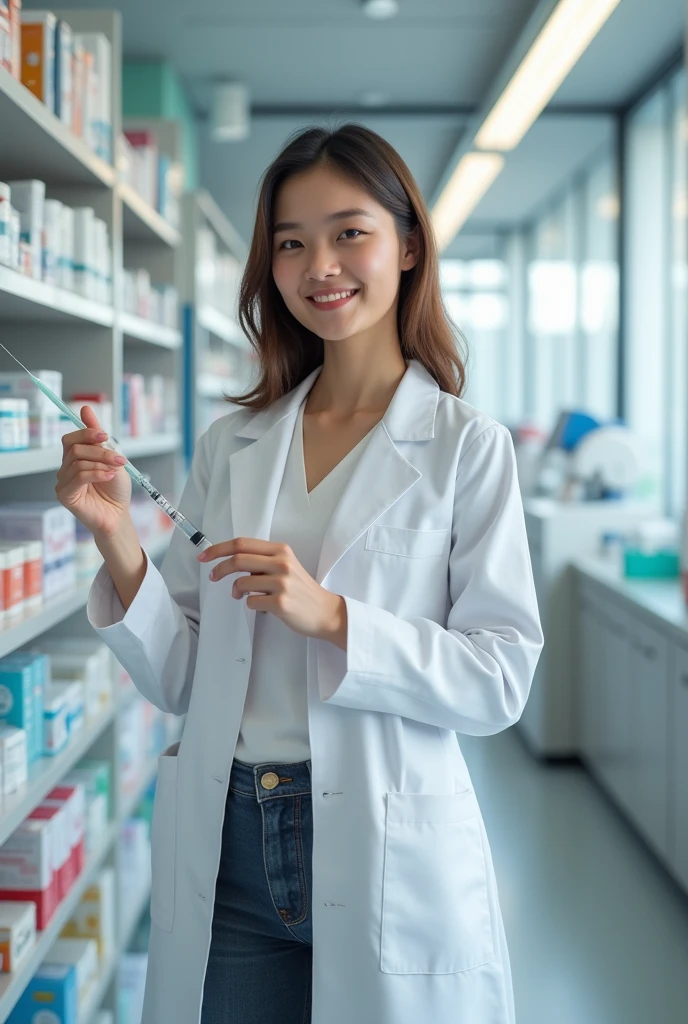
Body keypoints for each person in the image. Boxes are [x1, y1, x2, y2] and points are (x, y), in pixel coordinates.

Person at [55, 123, 544, 1024]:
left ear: (407, 244)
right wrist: (115, 536)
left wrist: (334, 618)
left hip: (379, 841)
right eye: (291, 242)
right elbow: (185, 677)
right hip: (233, 840)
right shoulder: (235, 442)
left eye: (348, 231)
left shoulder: (465, 447)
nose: (319, 263)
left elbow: (500, 677)